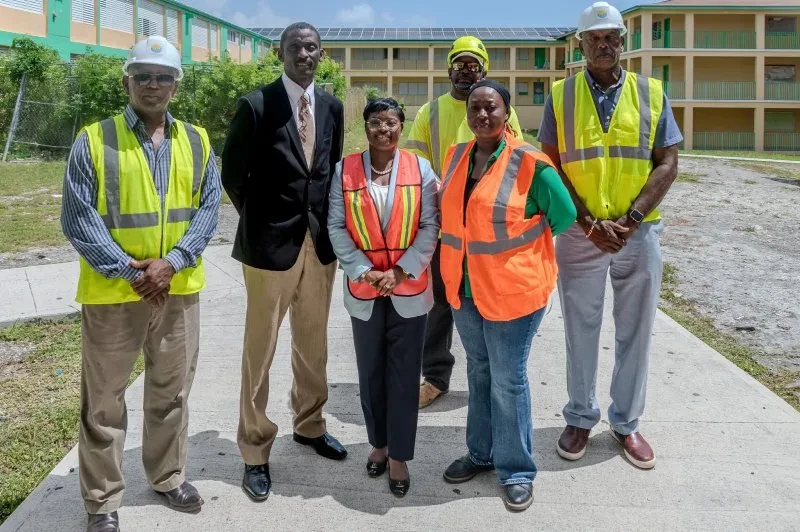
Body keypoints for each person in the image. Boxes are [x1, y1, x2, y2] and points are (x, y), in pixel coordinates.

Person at [60, 36, 221, 532]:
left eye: (164, 76)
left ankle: (168, 476)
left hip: (178, 290)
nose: (153, 85)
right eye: (143, 75)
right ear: (126, 81)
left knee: (172, 393)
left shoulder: (198, 140)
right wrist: (134, 272)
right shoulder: (94, 139)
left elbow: (208, 208)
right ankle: (102, 501)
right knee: (104, 401)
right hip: (114, 295)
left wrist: (171, 263)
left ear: (176, 85)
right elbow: (78, 217)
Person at [538, 1, 682, 470]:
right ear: (581, 45)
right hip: (581, 234)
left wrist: (632, 220)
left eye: (611, 37)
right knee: (580, 329)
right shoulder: (560, 95)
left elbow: (668, 162)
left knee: (636, 331)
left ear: (623, 41)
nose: (603, 44)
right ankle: (580, 416)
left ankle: (626, 423)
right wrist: (586, 223)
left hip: (638, 233)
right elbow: (550, 165)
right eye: (594, 38)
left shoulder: (651, 92)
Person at [221, 22, 346, 503]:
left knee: (313, 344)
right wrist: (264, 221)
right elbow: (234, 174)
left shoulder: (332, 106)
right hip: (268, 249)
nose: (304, 54)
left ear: (321, 54)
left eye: (312, 47)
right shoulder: (257, 104)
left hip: (319, 246)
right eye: (295, 47)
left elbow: (329, 170)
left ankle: (310, 424)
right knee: (261, 349)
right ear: (281, 53)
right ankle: (254, 448)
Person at [439, 80, 576, 512]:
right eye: (475, 108)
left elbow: (564, 214)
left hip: (512, 292)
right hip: (464, 289)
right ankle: (480, 453)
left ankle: (516, 470)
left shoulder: (530, 162)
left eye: (491, 107)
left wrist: (524, 251)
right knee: (479, 371)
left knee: (507, 379)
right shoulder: (456, 156)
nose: (482, 115)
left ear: (506, 113)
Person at [405, 36, 526, 409]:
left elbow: (516, 162)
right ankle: (435, 378)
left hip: (489, 231)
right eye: (459, 64)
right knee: (439, 306)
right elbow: (415, 166)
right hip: (446, 230)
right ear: (449, 69)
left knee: (489, 302)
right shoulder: (430, 112)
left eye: (473, 65)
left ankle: (493, 377)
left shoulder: (500, 110)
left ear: (484, 70)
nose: (465, 71)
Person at [328, 98, 439, 497]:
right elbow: (336, 226)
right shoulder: (344, 171)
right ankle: (378, 443)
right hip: (365, 288)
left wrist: (400, 271)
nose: (383, 130)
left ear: (401, 127)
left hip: (408, 287)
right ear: (366, 127)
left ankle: (399, 456)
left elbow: (430, 225)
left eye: (391, 122)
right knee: (370, 371)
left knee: (404, 376)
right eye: (376, 122)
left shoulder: (420, 169)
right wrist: (364, 270)